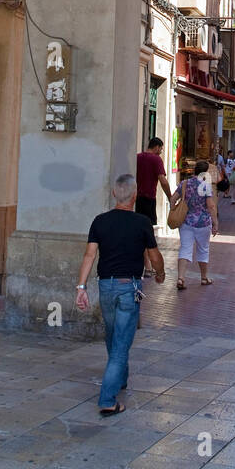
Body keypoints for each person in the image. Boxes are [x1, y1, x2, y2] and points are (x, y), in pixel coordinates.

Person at [75, 174, 165, 414]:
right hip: (129, 287)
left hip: (105, 286)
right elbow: (154, 254)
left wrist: (81, 287)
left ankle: (120, 378)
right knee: (121, 344)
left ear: (114, 193)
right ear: (134, 196)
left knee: (114, 334)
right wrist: (160, 272)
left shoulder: (99, 221)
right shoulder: (142, 222)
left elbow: (89, 256)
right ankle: (107, 399)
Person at [171, 160, 218, 288]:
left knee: (185, 248)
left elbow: (173, 199)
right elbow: (211, 206)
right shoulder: (205, 186)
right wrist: (215, 223)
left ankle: (180, 278)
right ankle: (204, 278)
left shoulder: (185, 183)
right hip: (202, 223)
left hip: (186, 222)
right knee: (203, 249)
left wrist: (174, 210)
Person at [135, 137, 172, 239]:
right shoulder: (156, 159)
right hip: (149, 198)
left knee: (137, 226)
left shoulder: (137, 157)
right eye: (161, 149)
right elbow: (163, 181)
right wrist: (170, 196)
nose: (160, 152)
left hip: (136, 198)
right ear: (156, 147)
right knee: (148, 227)